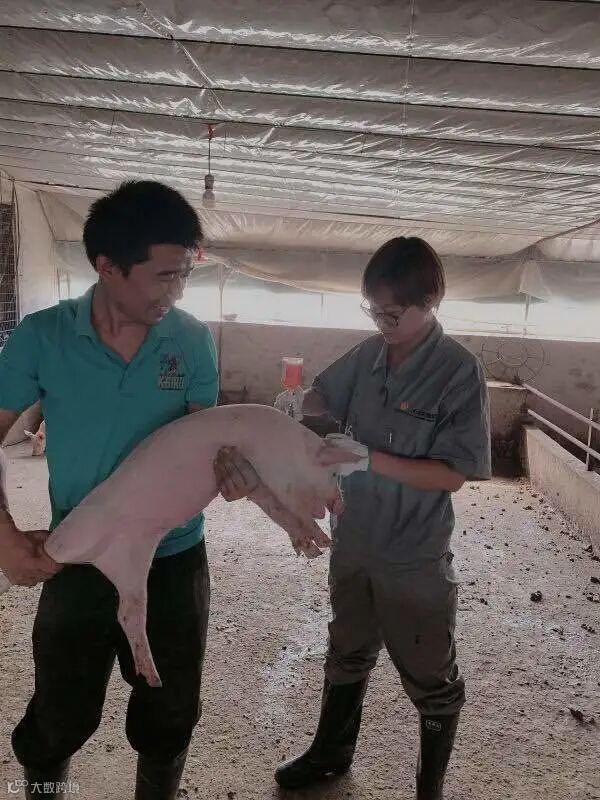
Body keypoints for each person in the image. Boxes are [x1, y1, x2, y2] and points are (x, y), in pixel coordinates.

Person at [217, 237, 491, 800]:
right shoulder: (368, 354)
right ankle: (331, 752)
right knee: (347, 648)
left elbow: (453, 474)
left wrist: (370, 459)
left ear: (431, 302)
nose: (381, 323)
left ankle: (430, 786)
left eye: (393, 314)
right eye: (372, 310)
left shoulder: (459, 372)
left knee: (429, 672)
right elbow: (325, 394)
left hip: (412, 552)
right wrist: (299, 405)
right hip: (355, 536)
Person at [0, 180, 222, 800]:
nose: (175, 292)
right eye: (163, 276)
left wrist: (236, 469)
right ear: (106, 265)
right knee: (59, 715)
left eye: (185, 276)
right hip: (79, 550)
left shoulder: (191, 340)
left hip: (173, 555)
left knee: (169, 713)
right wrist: (5, 537)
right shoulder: (43, 337)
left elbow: (207, 443)